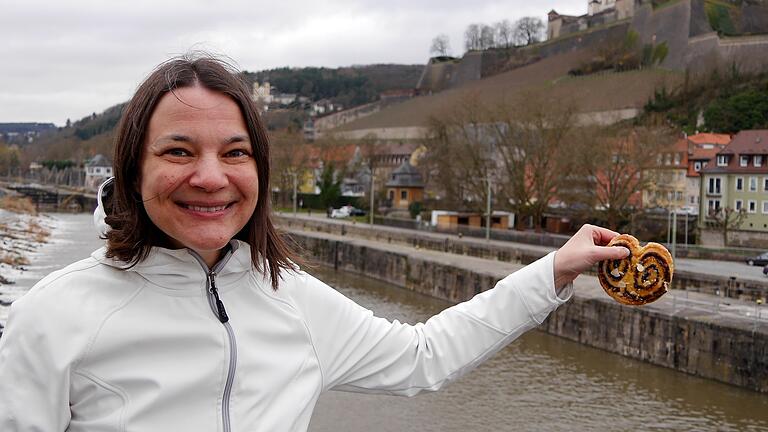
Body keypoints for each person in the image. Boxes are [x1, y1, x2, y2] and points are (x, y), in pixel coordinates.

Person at [0, 54, 628, 431]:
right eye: (178, 151)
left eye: (235, 153)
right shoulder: (54, 316)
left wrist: (554, 271)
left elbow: (422, 356)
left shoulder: (291, 301)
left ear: (260, 173)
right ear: (135, 168)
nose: (211, 177)